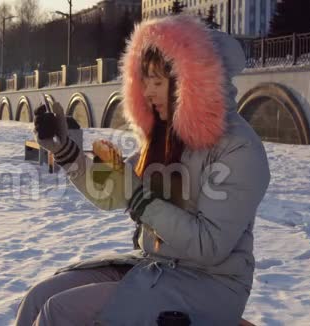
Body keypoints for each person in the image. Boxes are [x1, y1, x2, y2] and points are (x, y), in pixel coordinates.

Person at [15, 15, 270, 326]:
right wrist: (64, 150)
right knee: (39, 298)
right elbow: (111, 193)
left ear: (191, 83)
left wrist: (141, 200)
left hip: (210, 284)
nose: (147, 92)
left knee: (60, 311)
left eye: (157, 82)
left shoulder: (238, 148)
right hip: (157, 266)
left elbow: (209, 246)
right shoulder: (165, 139)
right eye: (144, 80)